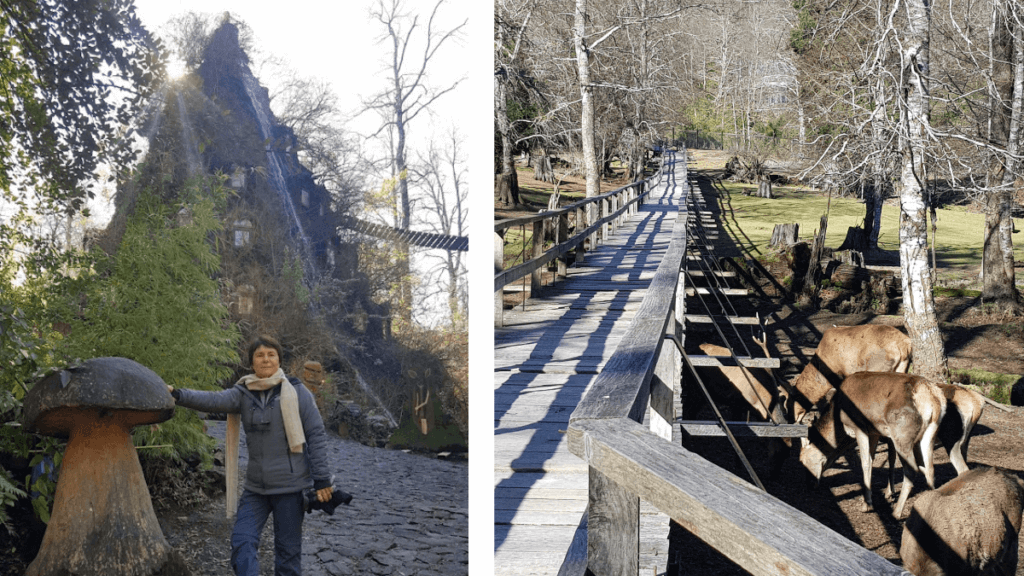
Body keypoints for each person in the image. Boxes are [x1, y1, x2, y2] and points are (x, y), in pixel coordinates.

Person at [168, 335, 333, 576]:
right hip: (256, 489)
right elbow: (212, 400)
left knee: (288, 556)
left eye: (271, 354)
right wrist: (178, 395)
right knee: (242, 543)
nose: (266, 359)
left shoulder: (297, 392)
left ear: (278, 359)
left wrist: (322, 479)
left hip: (290, 488)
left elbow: (316, 435)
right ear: (252, 362)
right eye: (259, 355)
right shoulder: (243, 393)